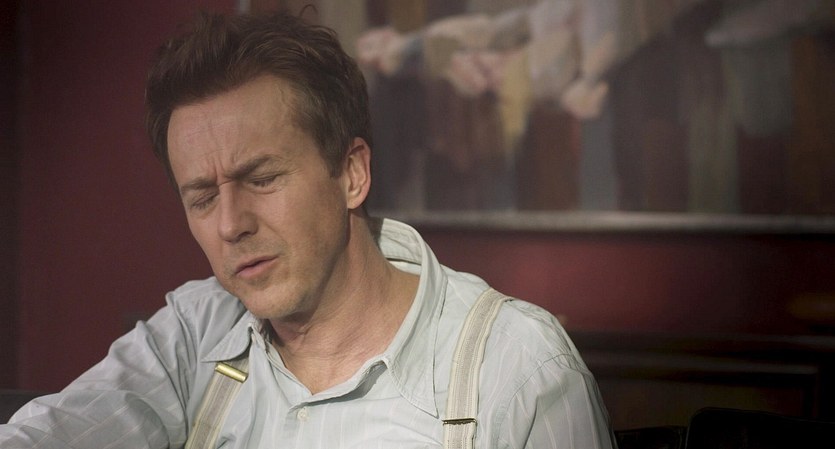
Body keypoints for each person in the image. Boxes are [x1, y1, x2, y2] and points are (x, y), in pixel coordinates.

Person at [0, 10, 615, 448]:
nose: (231, 225)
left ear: (351, 173)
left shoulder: (517, 367)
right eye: (203, 198)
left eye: (263, 178)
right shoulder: (194, 333)